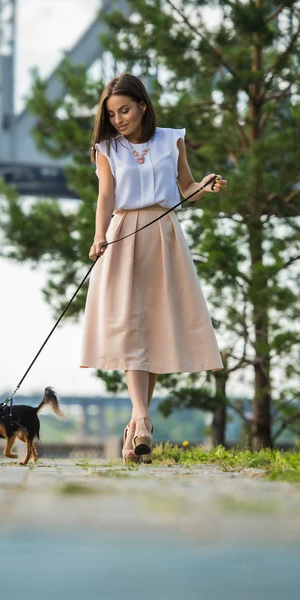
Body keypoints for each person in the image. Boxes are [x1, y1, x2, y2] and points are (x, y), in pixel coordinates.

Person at [79, 73, 227, 464]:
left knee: (154, 327)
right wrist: (98, 236)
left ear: (143, 105)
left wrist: (206, 185)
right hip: (123, 234)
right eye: (111, 114)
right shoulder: (106, 148)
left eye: (124, 110)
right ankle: (143, 418)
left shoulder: (170, 139)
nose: (118, 119)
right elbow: (105, 196)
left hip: (164, 235)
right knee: (129, 326)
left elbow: (186, 187)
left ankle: (134, 428)